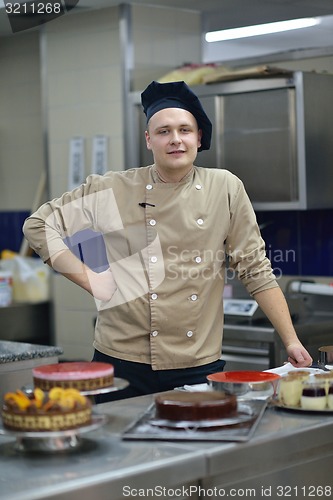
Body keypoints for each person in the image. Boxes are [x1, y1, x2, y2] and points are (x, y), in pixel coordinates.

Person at [23, 80, 313, 402]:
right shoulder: (114, 188)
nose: (175, 140)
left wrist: (291, 341)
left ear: (198, 137)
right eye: (163, 131)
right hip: (121, 362)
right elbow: (38, 226)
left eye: (185, 130)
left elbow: (255, 269)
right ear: (148, 139)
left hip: (196, 363)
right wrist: (91, 279)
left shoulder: (225, 188)